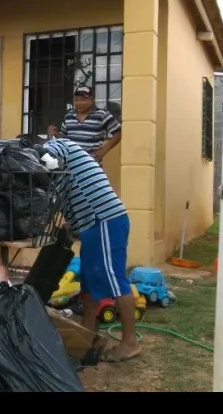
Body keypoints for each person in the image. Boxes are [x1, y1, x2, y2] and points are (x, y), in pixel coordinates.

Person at [38, 137, 140, 363]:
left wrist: (32, 161)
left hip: (103, 220)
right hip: (93, 225)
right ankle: (87, 334)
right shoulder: (58, 169)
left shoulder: (57, 147)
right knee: (89, 282)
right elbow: (71, 195)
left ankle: (130, 342)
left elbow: (47, 159)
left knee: (115, 282)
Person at [47, 86, 122, 164]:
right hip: (71, 163)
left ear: (92, 100)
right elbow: (65, 138)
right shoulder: (68, 116)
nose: (79, 103)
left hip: (92, 164)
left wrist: (105, 150)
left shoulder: (102, 115)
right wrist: (55, 133)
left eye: (83, 100)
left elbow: (118, 132)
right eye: (76, 100)